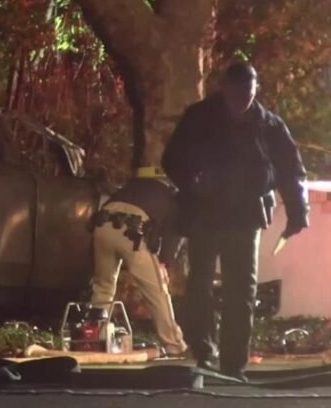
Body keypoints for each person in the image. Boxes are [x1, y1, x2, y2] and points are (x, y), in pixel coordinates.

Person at [162, 61, 309, 381]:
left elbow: (291, 169)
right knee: (199, 283)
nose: (243, 100)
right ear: (225, 89)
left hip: (246, 214)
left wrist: (299, 211)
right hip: (204, 211)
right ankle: (204, 350)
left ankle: (234, 363)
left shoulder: (268, 124)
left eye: (249, 94)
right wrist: (192, 181)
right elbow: (172, 158)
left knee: (241, 289)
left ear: (255, 91)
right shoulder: (199, 117)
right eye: (237, 94)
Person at [90, 166, 187, 357]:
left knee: (103, 287)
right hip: (131, 231)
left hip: (102, 225)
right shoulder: (172, 197)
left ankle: (95, 338)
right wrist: (164, 263)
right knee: (157, 291)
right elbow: (175, 233)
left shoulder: (132, 186)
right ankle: (175, 345)